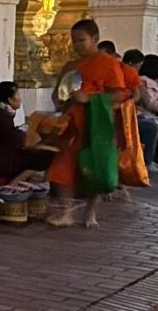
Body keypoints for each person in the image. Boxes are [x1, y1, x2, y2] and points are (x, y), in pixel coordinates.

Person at [47, 20, 125, 228]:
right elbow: (59, 93)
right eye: (74, 41)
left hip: (96, 123)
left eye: (81, 40)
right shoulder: (71, 66)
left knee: (94, 168)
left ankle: (90, 213)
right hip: (72, 124)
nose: (77, 45)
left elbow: (119, 94)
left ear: (95, 39)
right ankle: (65, 212)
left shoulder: (109, 64)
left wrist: (89, 99)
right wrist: (62, 99)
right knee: (62, 167)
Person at [0, 81, 52, 184]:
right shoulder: (0, 116)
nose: (20, 98)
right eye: (18, 94)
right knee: (44, 158)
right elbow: (19, 141)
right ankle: (13, 184)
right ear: (10, 99)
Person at [98, 41, 148, 194]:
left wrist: (122, 104)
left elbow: (137, 96)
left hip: (121, 115)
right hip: (101, 111)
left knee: (119, 147)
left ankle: (118, 180)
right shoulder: (97, 70)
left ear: (113, 55)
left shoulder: (126, 71)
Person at [122, 50, 158, 171]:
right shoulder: (125, 75)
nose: (138, 70)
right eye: (137, 67)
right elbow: (140, 98)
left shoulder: (134, 77)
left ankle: (151, 158)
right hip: (124, 113)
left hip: (132, 111)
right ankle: (146, 161)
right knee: (151, 126)